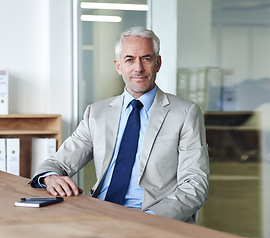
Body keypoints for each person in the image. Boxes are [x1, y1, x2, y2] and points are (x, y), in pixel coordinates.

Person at [29, 26, 209, 224]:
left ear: (158, 63)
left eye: (146, 58)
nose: (138, 68)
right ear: (118, 66)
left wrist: (148, 220)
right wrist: (51, 177)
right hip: (100, 213)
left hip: (152, 220)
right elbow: (58, 162)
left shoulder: (185, 113)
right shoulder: (96, 113)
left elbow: (195, 185)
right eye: (129, 59)